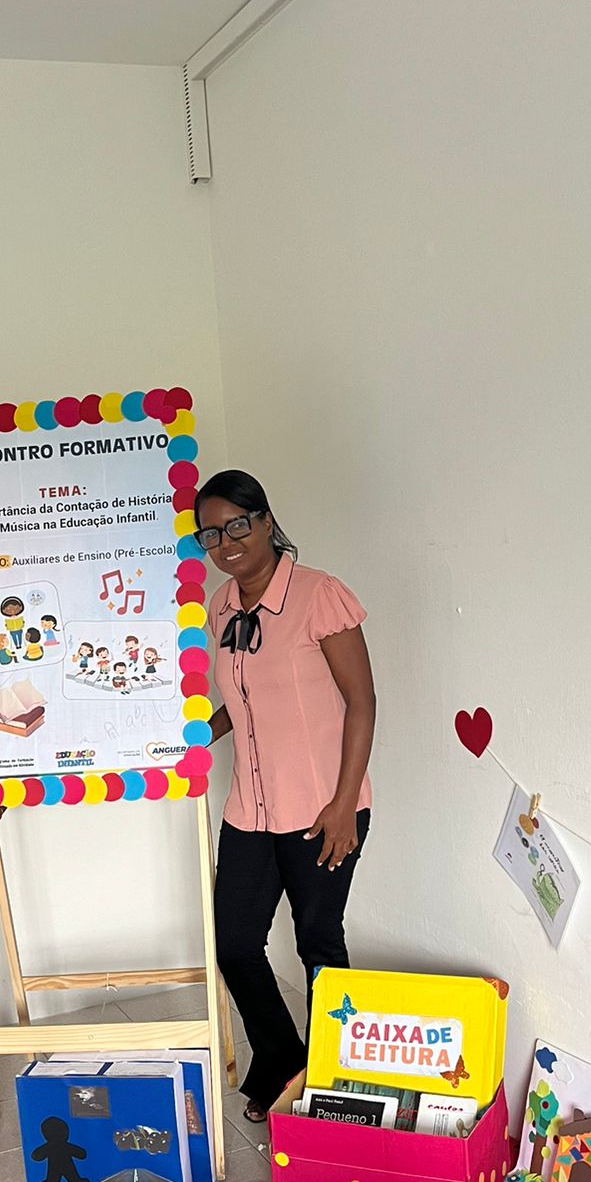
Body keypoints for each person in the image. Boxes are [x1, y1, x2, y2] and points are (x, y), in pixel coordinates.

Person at [196, 471, 375, 1122]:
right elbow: (241, 700)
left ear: (266, 521)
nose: (226, 542)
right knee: (234, 942)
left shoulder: (319, 596)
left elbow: (362, 702)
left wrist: (343, 803)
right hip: (251, 810)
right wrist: (200, 735)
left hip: (323, 809)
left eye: (237, 525)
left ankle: (338, 1089)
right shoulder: (221, 606)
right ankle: (287, 1064)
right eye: (211, 533)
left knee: (318, 944)